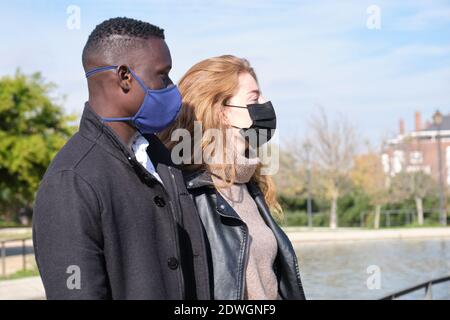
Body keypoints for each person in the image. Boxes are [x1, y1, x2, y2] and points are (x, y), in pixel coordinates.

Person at [32, 17, 210, 299]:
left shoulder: (162, 159)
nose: (171, 87)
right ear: (125, 76)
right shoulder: (71, 181)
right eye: (163, 75)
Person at [158, 55, 306, 300]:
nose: (266, 104)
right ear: (222, 113)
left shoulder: (250, 183)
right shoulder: (185, 191)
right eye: (254, 98)